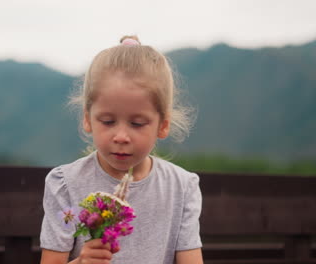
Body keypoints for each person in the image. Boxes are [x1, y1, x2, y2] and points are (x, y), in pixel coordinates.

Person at [40, 35, 203, 264]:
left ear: (163, 125)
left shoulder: (181, 188)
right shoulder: (66, 184)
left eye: (137, 124)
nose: (121, 137)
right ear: (87, 119)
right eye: (107, 121)